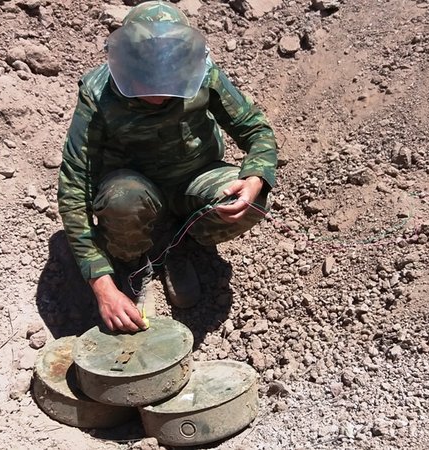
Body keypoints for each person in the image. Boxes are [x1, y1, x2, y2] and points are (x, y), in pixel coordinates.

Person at [57, 0, 278, 333]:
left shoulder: (203, 72)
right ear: (127, 64)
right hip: (137, 189)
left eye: (169, 79)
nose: (158, 93)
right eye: (147, 79)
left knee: (253, 204)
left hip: (195, 177)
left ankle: (181, 243)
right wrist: (102, 286)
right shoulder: (99, 93)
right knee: (122, 201)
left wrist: (255, 177)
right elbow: (74, 186)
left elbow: (254, 128)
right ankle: (135, 260)